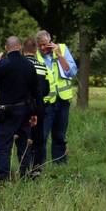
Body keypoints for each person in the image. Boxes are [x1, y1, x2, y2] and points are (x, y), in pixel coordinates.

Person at [0, 36, 42, 181]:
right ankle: (25, 175)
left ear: (6, 48)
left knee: (3, 145)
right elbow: (36, 91)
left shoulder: (4, 64)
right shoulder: (29, 65)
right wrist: (35, 113)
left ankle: (3, 177)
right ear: (20, 46)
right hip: (25, 111)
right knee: (24, 145)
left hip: (7, 112)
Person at [36, 30, 78, 165]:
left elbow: (71, 72)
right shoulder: (36, 56)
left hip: (63, 100)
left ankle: (59, 163)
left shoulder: (63, 49)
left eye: (45, 45)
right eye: (40, 45)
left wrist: (59, 55)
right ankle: (39, 164)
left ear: (50, 42)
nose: (43, 48)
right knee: (42, 135)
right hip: (46, 102)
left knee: (59, 135)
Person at [22, 37, 48, 174]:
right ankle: (36, 168)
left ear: (23, 50)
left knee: (24, 138)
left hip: (23, 106)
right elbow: (45, 89)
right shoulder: (42, 66)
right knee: (38, 138)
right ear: (36, 50)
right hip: (39, 107)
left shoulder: (21, 65)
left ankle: (24, 167)